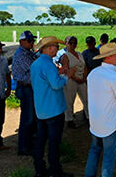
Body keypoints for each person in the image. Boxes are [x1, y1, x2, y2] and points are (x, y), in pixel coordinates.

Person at [85, 43, 116, 177]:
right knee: (109, 157)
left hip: (95, 122)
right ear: (109, 57)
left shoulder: (93, 74)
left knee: (94, 151)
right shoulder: (115, 77)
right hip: (111, 124)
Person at [31, 36, 75, 177]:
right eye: (56, 46)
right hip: (54, 109)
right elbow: (56, 85)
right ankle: (55, 171)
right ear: (49, 48)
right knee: (54, 143)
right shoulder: (48, 64)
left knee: (40, 141)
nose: (57, 49)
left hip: (41, 109)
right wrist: (67, 75)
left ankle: (40, 169)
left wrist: (58, 74)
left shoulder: (35, 64)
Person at [11, 30, 38, 156]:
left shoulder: (28, 52)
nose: (32, 43)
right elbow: (33, 68)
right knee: (27, 118)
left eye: (33, 40)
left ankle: (30, 144)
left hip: (29, 88)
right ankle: (23, 147)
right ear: (21, 42)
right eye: (29, 41)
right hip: (25, 87)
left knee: (32, 118)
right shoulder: (21, 54)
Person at [60, 36, 88, 128]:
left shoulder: (80, 54)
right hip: (71, 80)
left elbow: (85, 67)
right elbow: (66, 69)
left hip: (81, 79)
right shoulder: (65, 56)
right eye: (70, 43)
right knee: (69, 100)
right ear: (66, 44)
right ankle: (69, 119)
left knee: (86, 99)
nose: (73, 45)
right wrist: (77, 79)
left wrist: (84, 77)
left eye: (74, 43)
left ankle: (88, 117)